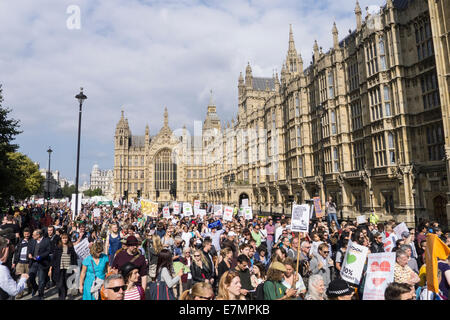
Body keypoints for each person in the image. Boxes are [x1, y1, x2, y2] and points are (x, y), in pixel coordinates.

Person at [50, 233, 77, 300]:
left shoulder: (70, 247)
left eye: (66, 238)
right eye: (63, 238)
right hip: (60, 268)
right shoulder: (58, 247)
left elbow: (74, 257)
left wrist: (75, 267)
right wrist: (51, 268)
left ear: (68, 239)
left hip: (69, 268)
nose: (64, 240)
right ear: (61, 239)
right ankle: (61, 297)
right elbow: (54, 258)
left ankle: (63, 295)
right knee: (60, 283)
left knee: (66, 283)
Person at [27, 229, 51, 299]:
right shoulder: (32, 241)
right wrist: (29, 254)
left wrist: (40, 257)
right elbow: (29, 249)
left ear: (38, 235)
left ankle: (41, 294)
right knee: (30, 277)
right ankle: (35, 287)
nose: (32, 236)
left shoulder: (46, 241)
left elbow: (48, 251)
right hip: (33, 262)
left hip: (42, 263)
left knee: (41, 280)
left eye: (33, 235)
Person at [12, 228, 31, 298]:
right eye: (25, 234)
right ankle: (20, 293)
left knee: (28, 278)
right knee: (20, 279)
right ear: (23, 234)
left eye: (28, 234)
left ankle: (30, 288)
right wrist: (14, 262)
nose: (26, 235)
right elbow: (17, 252)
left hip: (28, 262)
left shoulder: (32, 241)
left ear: (30, 234)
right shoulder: (20, 241)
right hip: (20, 262)